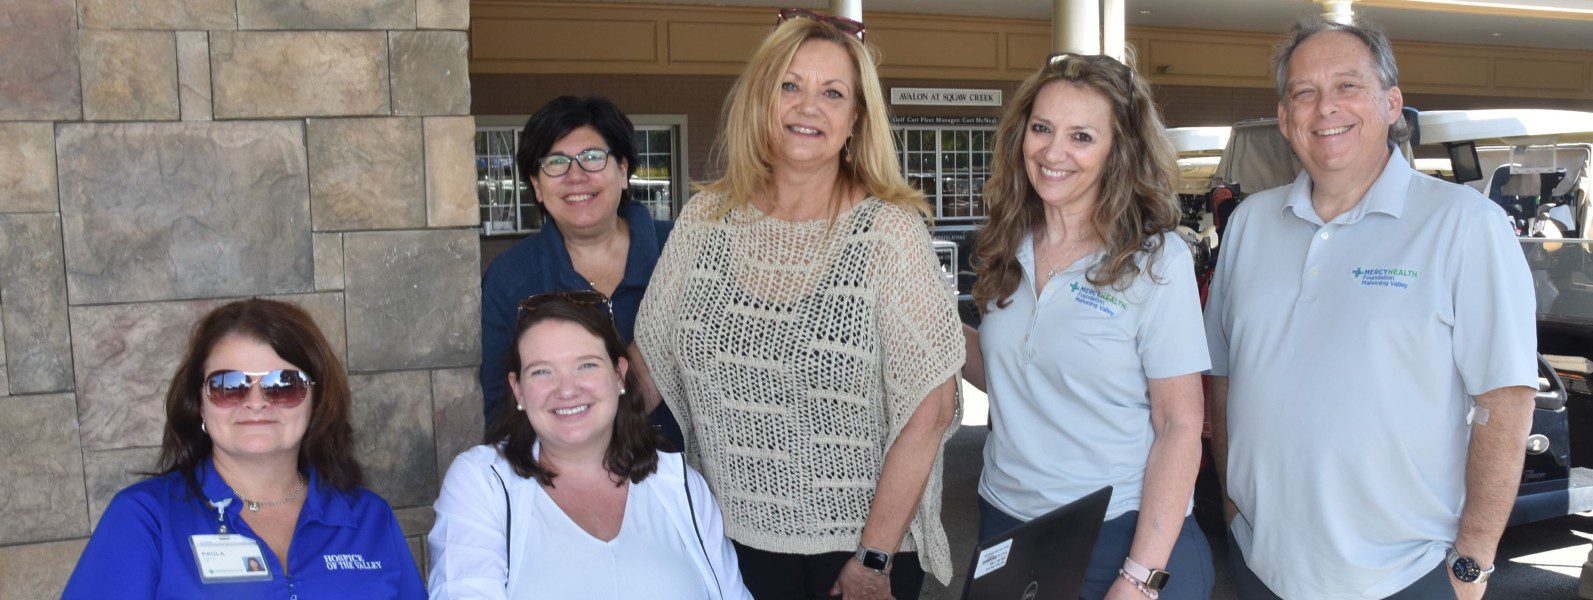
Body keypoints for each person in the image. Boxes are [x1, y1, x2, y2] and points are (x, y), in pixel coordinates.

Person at [1205, 17, 1537, 600]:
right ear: (1285, 119)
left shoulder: (1463, 224)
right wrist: (1234, 507)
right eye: (1303, 93)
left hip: (1404, 578)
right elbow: (1225, 376)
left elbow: (1504, 400)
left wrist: (1471, 563)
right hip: (1261, 567)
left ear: (1391, 104)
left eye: (1347, 86)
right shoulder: (1250, 225)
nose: (1325, 108)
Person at [635, 12, 964, 600]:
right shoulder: (704, 219)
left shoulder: (889, 233)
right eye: (790, 86)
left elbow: (931, 408)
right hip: (725, 540)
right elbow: (649, 366)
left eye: (832, 93)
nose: (808, 107)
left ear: (856, 119)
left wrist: (874, 558)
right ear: (762, 100)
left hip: (858, 554)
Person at [962, 52, 1214, 600]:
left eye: (1081, 136)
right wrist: (933, 326)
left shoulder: (1154, 259)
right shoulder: (1008, 241)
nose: (1053, 152)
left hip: (1115, 531)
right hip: (1004, 519)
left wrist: (1140, 577)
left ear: (1117, 152)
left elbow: (1178, 426)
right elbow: (1012, 373)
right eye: (1042, 128)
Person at [63, 299, 425, 599]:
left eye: (283, 384)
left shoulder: (369, 519)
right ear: (200, 404)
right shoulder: (146, 519)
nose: (256, 402)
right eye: (229, 385)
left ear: (316, 401)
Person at [429, 292, 751, 599]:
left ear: (620, 375)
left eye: (586, 365)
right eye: (542, 372)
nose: (566, 390)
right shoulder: (482, 483)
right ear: (519, 391)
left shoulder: (681, 486)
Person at [480, 95, 682, 450]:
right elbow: (503, 411)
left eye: (592, 158)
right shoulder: (510, 278)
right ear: (537, 187)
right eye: (556, 163)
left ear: (622, 170)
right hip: (565, 485)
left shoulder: (683, 251)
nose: (576, 176)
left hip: (687, 481)